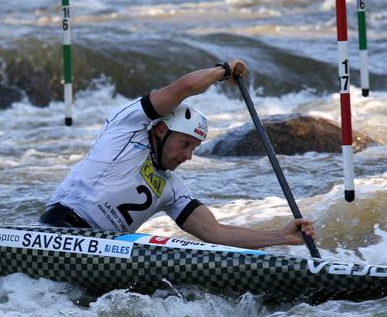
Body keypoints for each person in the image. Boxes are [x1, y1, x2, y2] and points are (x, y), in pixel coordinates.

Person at [40, 60, 316, 249]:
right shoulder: (126, 128)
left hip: (105, 250)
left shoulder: (172, 188)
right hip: (58, 231)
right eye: (185, 144)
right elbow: (184, 87)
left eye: (194, 148)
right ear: (161, 130)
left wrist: (281, 236)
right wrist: (224, 70)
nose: (188, 156)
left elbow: (215, 232)